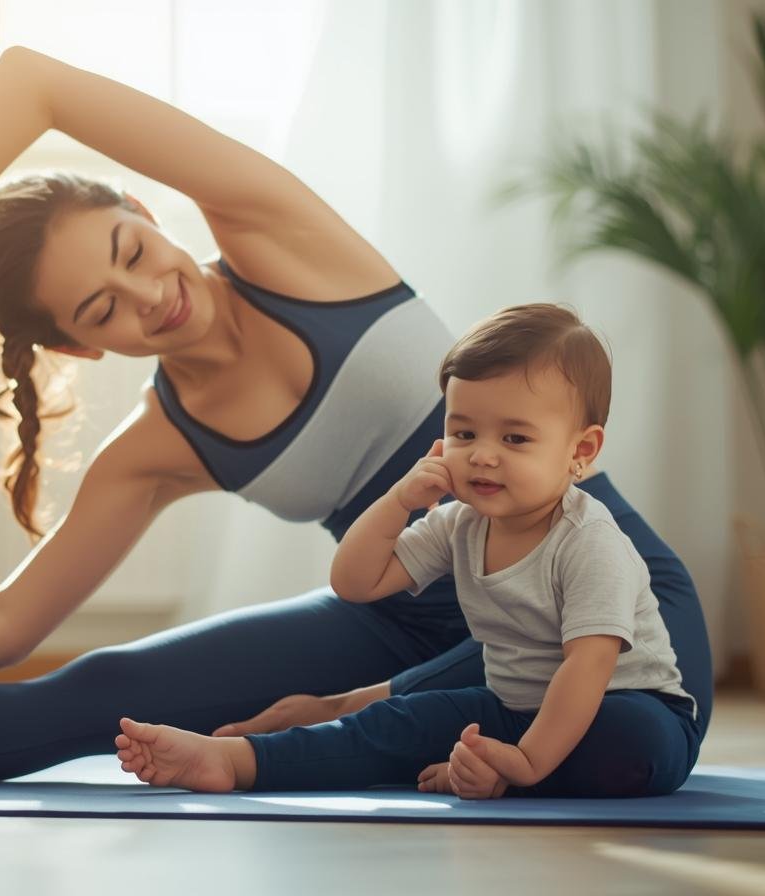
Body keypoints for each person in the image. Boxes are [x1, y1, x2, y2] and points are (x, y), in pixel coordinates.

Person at [0, 45, 712, 790]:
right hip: (408, 607)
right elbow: (3, 623)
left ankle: (347, 725)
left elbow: (31, 77)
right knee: (99, 685)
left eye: (132, 250)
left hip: (594, 609)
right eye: (101, 309)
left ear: (143, 210)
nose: (149, 295)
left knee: (372, 720)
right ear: (83, 347)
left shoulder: (285, 238)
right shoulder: (163, 444)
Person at [116, 304, 697, 798]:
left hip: (622, 705)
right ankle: (237, 760)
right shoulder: (458, 524)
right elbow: (356, 583)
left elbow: (587, 668)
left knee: (630, 744)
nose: (483, 455)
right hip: (512, 707)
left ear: (581, 450)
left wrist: (524, 764)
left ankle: (502, 773)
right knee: (399, 722)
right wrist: (400, 500)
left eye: (515, 438)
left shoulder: (591, 542)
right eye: (465, 433)